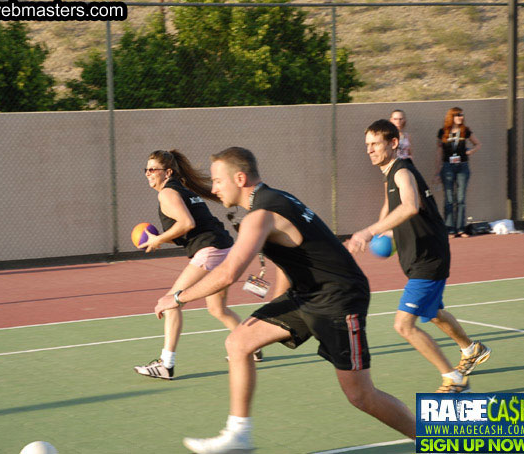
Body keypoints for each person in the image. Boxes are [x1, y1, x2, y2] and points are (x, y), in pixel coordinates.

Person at [155, 147, 416, 453]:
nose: (214, 188)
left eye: (217, 181)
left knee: (361, 395)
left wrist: (177, 297)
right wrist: (276, 306)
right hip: (306, 294)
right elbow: (289, 258)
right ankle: (239, 435)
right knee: (238, 343)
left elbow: (228, 273)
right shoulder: (275, 198)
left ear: (240, 178)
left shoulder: (262, 214)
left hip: (338, 298)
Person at [348, 119, 491, 395]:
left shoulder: (401, 171)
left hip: (429, 257)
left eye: (375, 144)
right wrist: (385, 233)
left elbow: (410, 206)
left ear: (393, 143)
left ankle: (454, 378)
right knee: (433, 312)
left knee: (403, 325)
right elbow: (391, 205)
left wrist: (369, 231)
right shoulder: (390, 175)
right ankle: (472, 349)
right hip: (418, 255)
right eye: (367, 145)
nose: (370, 150)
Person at [134, 149, 260, 381]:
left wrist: (158, 239)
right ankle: (252, 343)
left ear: (168, 172)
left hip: (210, 251)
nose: (148, 174)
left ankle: (166, 364)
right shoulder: (182, 191)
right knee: (217, 309)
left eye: (153, 169)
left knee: (171, 303)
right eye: (146, 169)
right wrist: (162, 238)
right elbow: (190, 227)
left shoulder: (167, 194)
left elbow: (187, 223)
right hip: (223, 247)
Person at [436, 107, 481, 237]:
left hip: (462, 166)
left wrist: (470, 152)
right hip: (447, 166)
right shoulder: (442, 132)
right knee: (449, 199)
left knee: (461, 199)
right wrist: (438, 171)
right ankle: (449, 228)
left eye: (462, 115)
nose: (461, 117)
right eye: (458, 115)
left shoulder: (465, 131)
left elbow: (478, 144)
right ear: (452, 117)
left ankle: (461, 228)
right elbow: (439, 152)